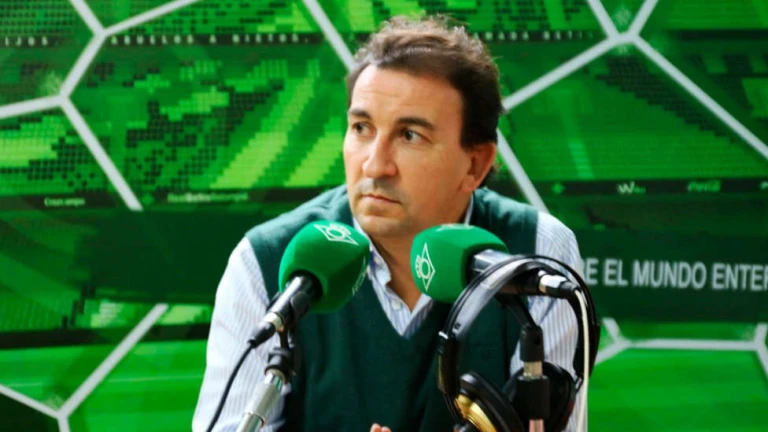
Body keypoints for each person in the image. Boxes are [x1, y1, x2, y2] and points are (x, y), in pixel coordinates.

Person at [193, 15, 584, 432]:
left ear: (475, 163)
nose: (375, 165)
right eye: (361, 128)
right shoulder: (267, 261)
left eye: (410, 135)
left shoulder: (538, 253)